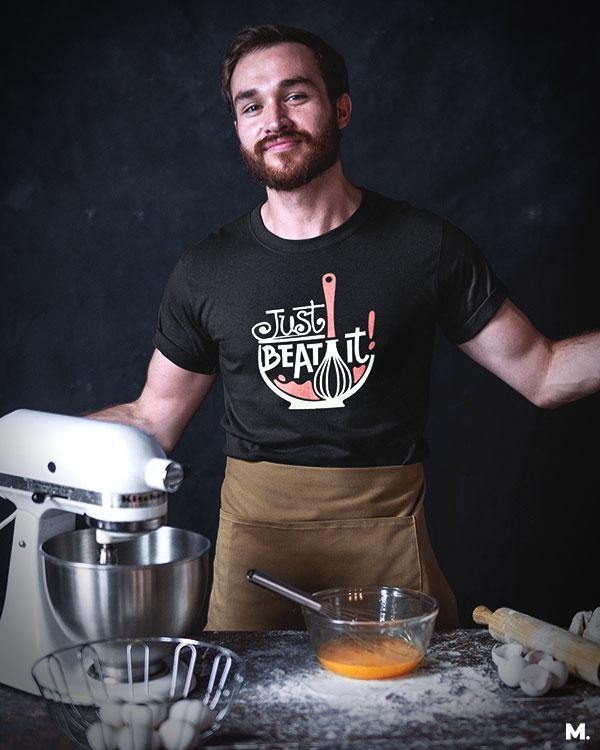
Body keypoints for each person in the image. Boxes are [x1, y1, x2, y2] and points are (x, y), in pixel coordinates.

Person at [89, 24, 599, 630]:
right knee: (246, 692)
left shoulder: (425, 246)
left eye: (295, 95)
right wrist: (22, 445)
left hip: (388, 547)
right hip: (256, 557)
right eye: (251, 106)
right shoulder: (205, 270)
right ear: (238, 128)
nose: (274, 119)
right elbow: (153, 420)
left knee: (418, 693)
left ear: (342, 108)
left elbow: (543, 372)